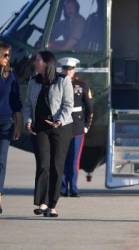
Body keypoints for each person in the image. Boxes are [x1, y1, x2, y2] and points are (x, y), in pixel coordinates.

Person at [23, 51, 73, 217]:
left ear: (46, 63)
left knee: (56, 166)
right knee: (43, 164)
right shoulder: (33, 81)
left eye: (37, 60)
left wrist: (59, 120)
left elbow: (68, 105)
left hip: (61, 128)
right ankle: (42, 203)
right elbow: (28, 105)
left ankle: (52, 205)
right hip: (40, 128)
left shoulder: (63, 80)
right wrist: (28, 120)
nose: (34, 62)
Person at [58, 57, 93, 197]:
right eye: (65, 69)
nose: (67, 71)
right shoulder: (56, 84)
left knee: (74, 159)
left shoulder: (82, 85)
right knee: (61, 158)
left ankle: (73, 187)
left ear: (74, 70)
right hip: (61, 125)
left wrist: (86, 126)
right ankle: (61, 188)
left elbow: (89, 108)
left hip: (77, 126)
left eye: (70, 69)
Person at [0, 41, 22, 214]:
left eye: (9, 55)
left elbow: (16, 101)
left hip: (6, 123)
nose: (8, 58)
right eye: (5, 55)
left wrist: (18, 124)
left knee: (1, 161)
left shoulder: (12, 76)